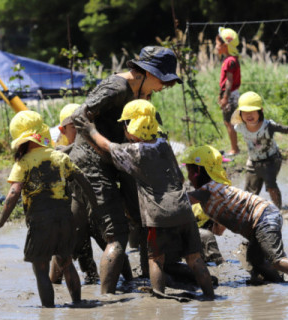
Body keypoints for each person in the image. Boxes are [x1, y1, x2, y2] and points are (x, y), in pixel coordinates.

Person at [74, 99, 215, 300]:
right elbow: (180, 177)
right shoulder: (164, 145)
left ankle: (159, 296)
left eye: (125, 124)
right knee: (194, 258)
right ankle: (210, 296)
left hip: (158, 215)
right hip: (184, 209)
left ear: (131, 127)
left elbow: (106, 146)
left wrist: (89, 129)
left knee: (155, 259)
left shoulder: (133, 152)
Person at [70, 46, 182, 293]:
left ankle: (150, 278)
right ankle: (108, 299)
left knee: (144, 217)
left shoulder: (140, 91)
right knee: (117, 234)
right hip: (93, 160)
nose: (163, 87)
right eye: (161, 80)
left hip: (120, 158)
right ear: (144, 73)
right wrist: (105, 147)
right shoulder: (117, 87)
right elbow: (79, 116)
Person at [0, 110, 98, 307]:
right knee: (66, 263)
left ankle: (48, 311)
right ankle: (78, 304)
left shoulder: (24, 162)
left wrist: (1, 220)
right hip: (65, 219)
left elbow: (13, 193)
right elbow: (84, 181)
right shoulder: (59, 157)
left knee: (40, 269)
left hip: (40, 223)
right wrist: (95, 206)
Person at [182, 145, 288, 286]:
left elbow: (181, 201)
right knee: (255, 260)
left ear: (198, 171)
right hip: (262, 218)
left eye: (188, 171)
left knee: (277, 260)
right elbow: (219, 229)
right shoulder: (214, 193)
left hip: (264, 217)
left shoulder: (208, 190)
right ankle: (279, 282)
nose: (188, 177)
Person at [231, 91, 288, 209]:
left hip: (271, 160)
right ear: (240, 113)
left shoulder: (267, 126)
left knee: (270, 185)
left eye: (252, 111)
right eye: (245, 112)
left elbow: (285, 129)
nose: (249, 115)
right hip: (253, 161)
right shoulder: (240, 127)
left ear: (260, 111)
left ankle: (279, 210)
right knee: (249, 192)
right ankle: (246, 213)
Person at [49, 103, 101, 285]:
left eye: (82, 126)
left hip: (90, 208)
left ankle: (123, 280)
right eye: (74, 127)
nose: (79, 132)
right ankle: (54, 285)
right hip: (71, 214)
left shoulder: (91, 144)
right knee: (64, 252)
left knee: (104, 244)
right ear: (62, 130)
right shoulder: (58, 150)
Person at [216, 27, 241, 156]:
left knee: (229, 123)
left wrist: (225, 97)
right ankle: (234, 147)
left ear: (225, 46)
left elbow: (229, 81)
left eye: (217, 44)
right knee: (230, 122)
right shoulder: (232, 60)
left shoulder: (229, 62)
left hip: (230, 95)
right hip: (232, 94)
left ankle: (234, 149)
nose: (216, 47)